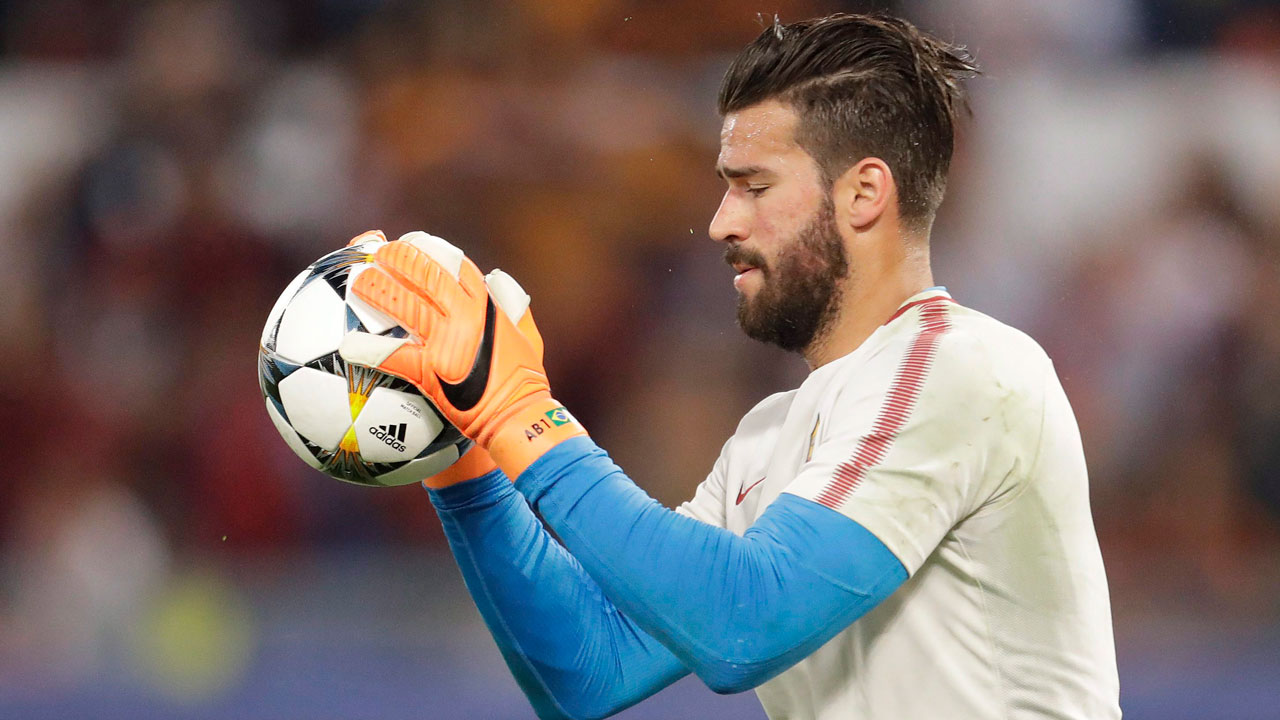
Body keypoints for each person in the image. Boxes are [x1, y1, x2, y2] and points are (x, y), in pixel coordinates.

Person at [338, 12, 1121, 720]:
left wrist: (517, 412)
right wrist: (469, 457)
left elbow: (744, 626)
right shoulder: (768, 438)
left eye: (754, 187)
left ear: (864, 194)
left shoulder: (964, 370)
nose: (720, 223)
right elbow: (589, 667)